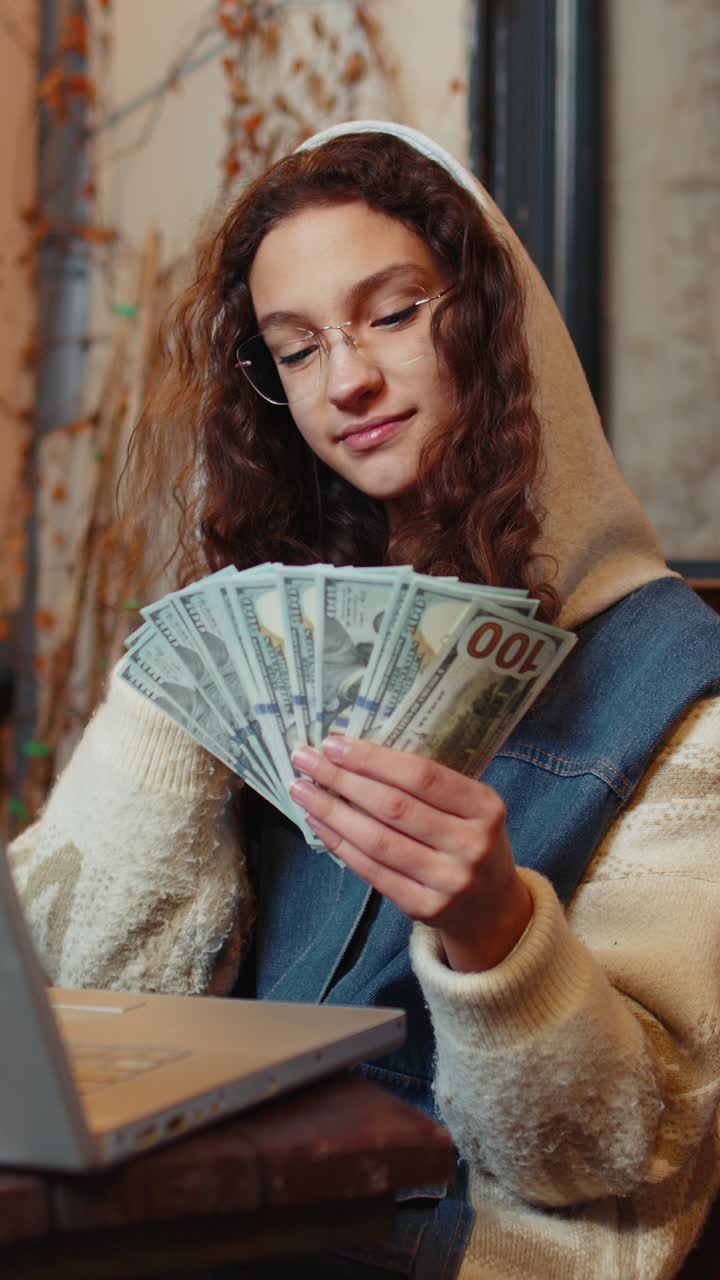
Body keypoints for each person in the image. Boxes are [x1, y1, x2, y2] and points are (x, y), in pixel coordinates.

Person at [9, 121, 720, 1280]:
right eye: (295, 351)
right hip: (206, 1210)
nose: (347, 381)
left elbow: (617, 1154)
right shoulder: (263, 633)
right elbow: (65, 1009)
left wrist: (497, 931)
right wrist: (176, 685)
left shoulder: (675, 681)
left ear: (494, 322)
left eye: (393, 314)